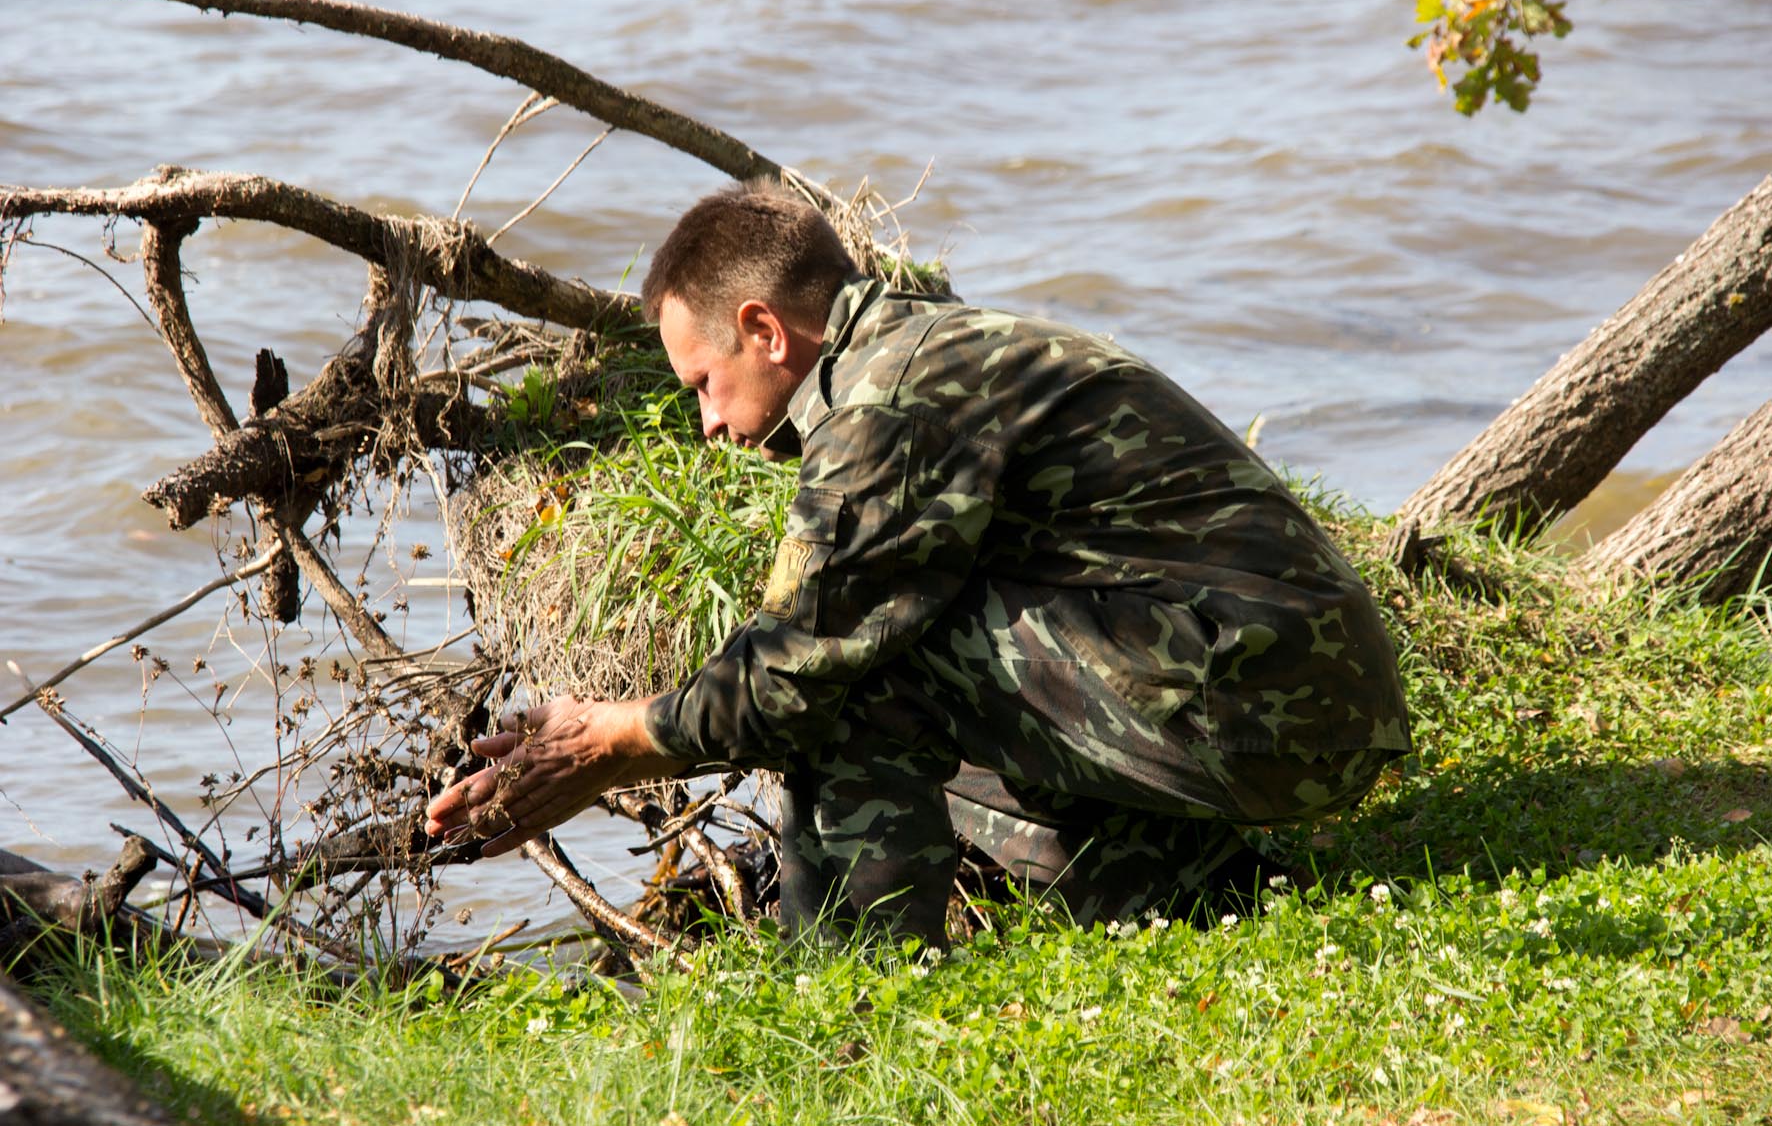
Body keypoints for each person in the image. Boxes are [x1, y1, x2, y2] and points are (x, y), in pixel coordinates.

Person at [424, 181, 1411, 944]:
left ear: (764, 329)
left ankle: (846, 982)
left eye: (704, 383)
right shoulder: (910, 353)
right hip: (1288, 690)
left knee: (852, 672)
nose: (707, 423)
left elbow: (793, 667)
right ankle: (1183, 882)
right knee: (888, 645)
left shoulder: (886, 402)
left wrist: (613, 737)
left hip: (1268, 698)